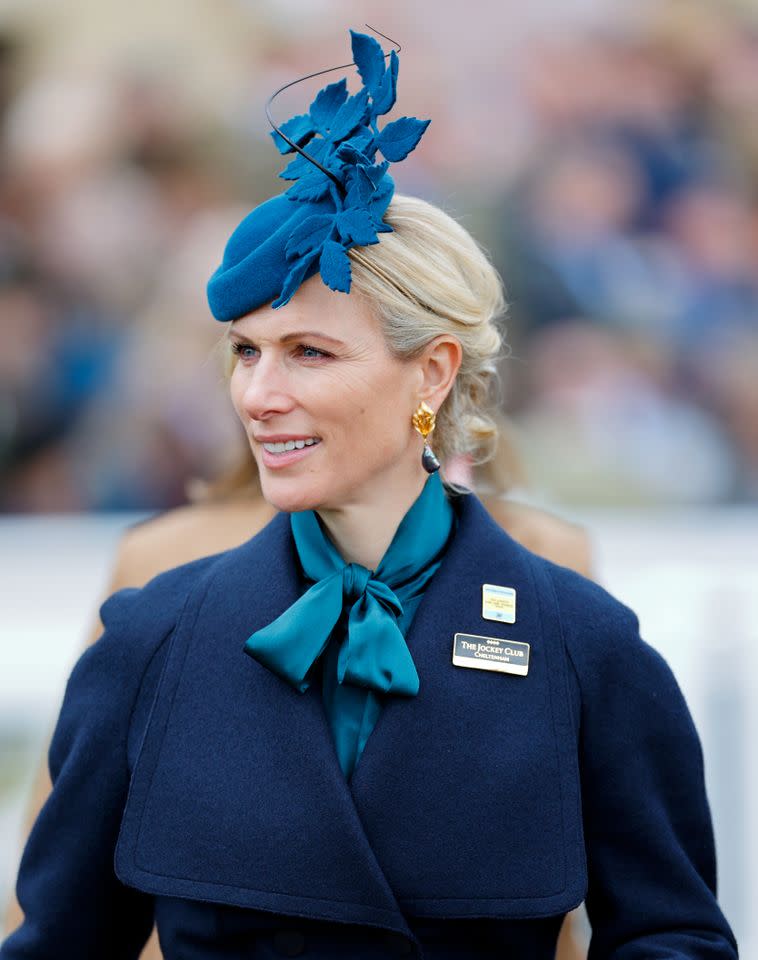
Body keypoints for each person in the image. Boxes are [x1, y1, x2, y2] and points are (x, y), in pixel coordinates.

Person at [1, 29, 737, 960]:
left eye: (310, 352)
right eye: (245, 352)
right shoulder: (150, 641)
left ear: (431, 373)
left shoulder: (587, 649)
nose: (259, 395)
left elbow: (672, 938)